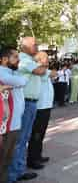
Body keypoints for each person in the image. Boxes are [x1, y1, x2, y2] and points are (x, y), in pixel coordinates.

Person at [9, 37, 48, 182]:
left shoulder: (29, 60)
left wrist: (41, 63)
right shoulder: (24, 60)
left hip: (30, 103)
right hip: (25, 103)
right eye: (35, 44)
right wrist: (43, 62)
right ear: (25, 47)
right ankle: (15, 173)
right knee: (20, 140)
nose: (37, 47)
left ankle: (19, 169)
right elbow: (40, 71)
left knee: (24, 138)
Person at [0, 48, 28, 183]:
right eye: (15, 57)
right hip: (6, 124)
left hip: (14, 122)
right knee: (4, 158)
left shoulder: (12, 72)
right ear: (5, 59)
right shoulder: (2, 72)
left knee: (7, 157)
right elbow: (23, 81)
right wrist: (20, 79)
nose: (19, 60)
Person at [27, 52, 55, 169]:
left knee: (41, 133)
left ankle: (38, 155)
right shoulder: (39, 70)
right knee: (36, 134)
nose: (48, 61)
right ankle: (32, 159)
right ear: (38, 59)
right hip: (40, 107)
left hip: (46, 106)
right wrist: (44, 66)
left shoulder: (43, 70)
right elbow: (54, 73)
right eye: (45, 58)